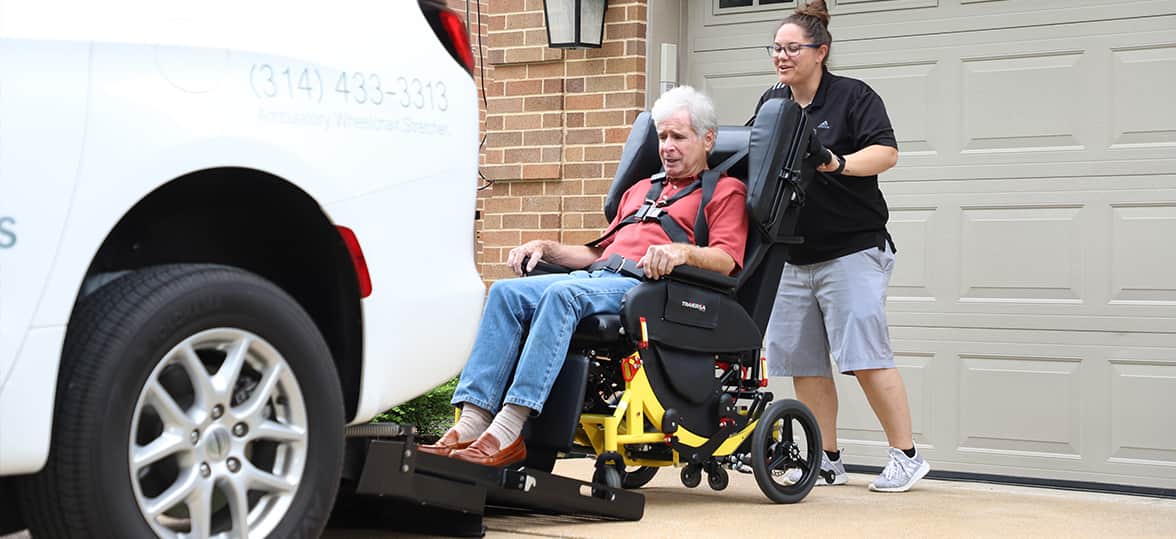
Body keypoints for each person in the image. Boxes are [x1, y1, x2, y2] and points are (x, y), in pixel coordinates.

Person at [420, 85, 749, 467]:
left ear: (707, 139)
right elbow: (598, 252)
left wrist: (682, 252)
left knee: (563, 295)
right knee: (507, 293)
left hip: (650, 289)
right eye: (662, 137)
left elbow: (726, 259)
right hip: (599, 277)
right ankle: (473, 422)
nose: (667, 146)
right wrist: (546, 247)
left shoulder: (725, 192)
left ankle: (509, 429)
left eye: (678, 136)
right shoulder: (642, 190)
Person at [751, 0, 929, 492]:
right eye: (776, 49)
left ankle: (906, 455)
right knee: (803, 363)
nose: (782, 57)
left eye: (792, 48)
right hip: (791, 255)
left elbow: (886, 152)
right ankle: (826, 458)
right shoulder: (772, 102)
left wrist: (837, 162)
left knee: (866, 356)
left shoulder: (852, 96)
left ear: (820, 52)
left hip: (853, 250)